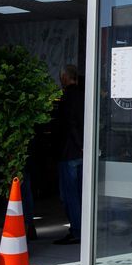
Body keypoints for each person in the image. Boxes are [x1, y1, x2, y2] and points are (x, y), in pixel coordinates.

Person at [51, 65, 83, 245]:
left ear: (64, 77)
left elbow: (70, 125)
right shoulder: (84, 95)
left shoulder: (67, 98)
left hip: (68, 152)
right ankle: (82, 229)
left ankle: (77, 230)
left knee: (69, 196)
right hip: (80, 152)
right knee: (80, 193)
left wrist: (80, 145)